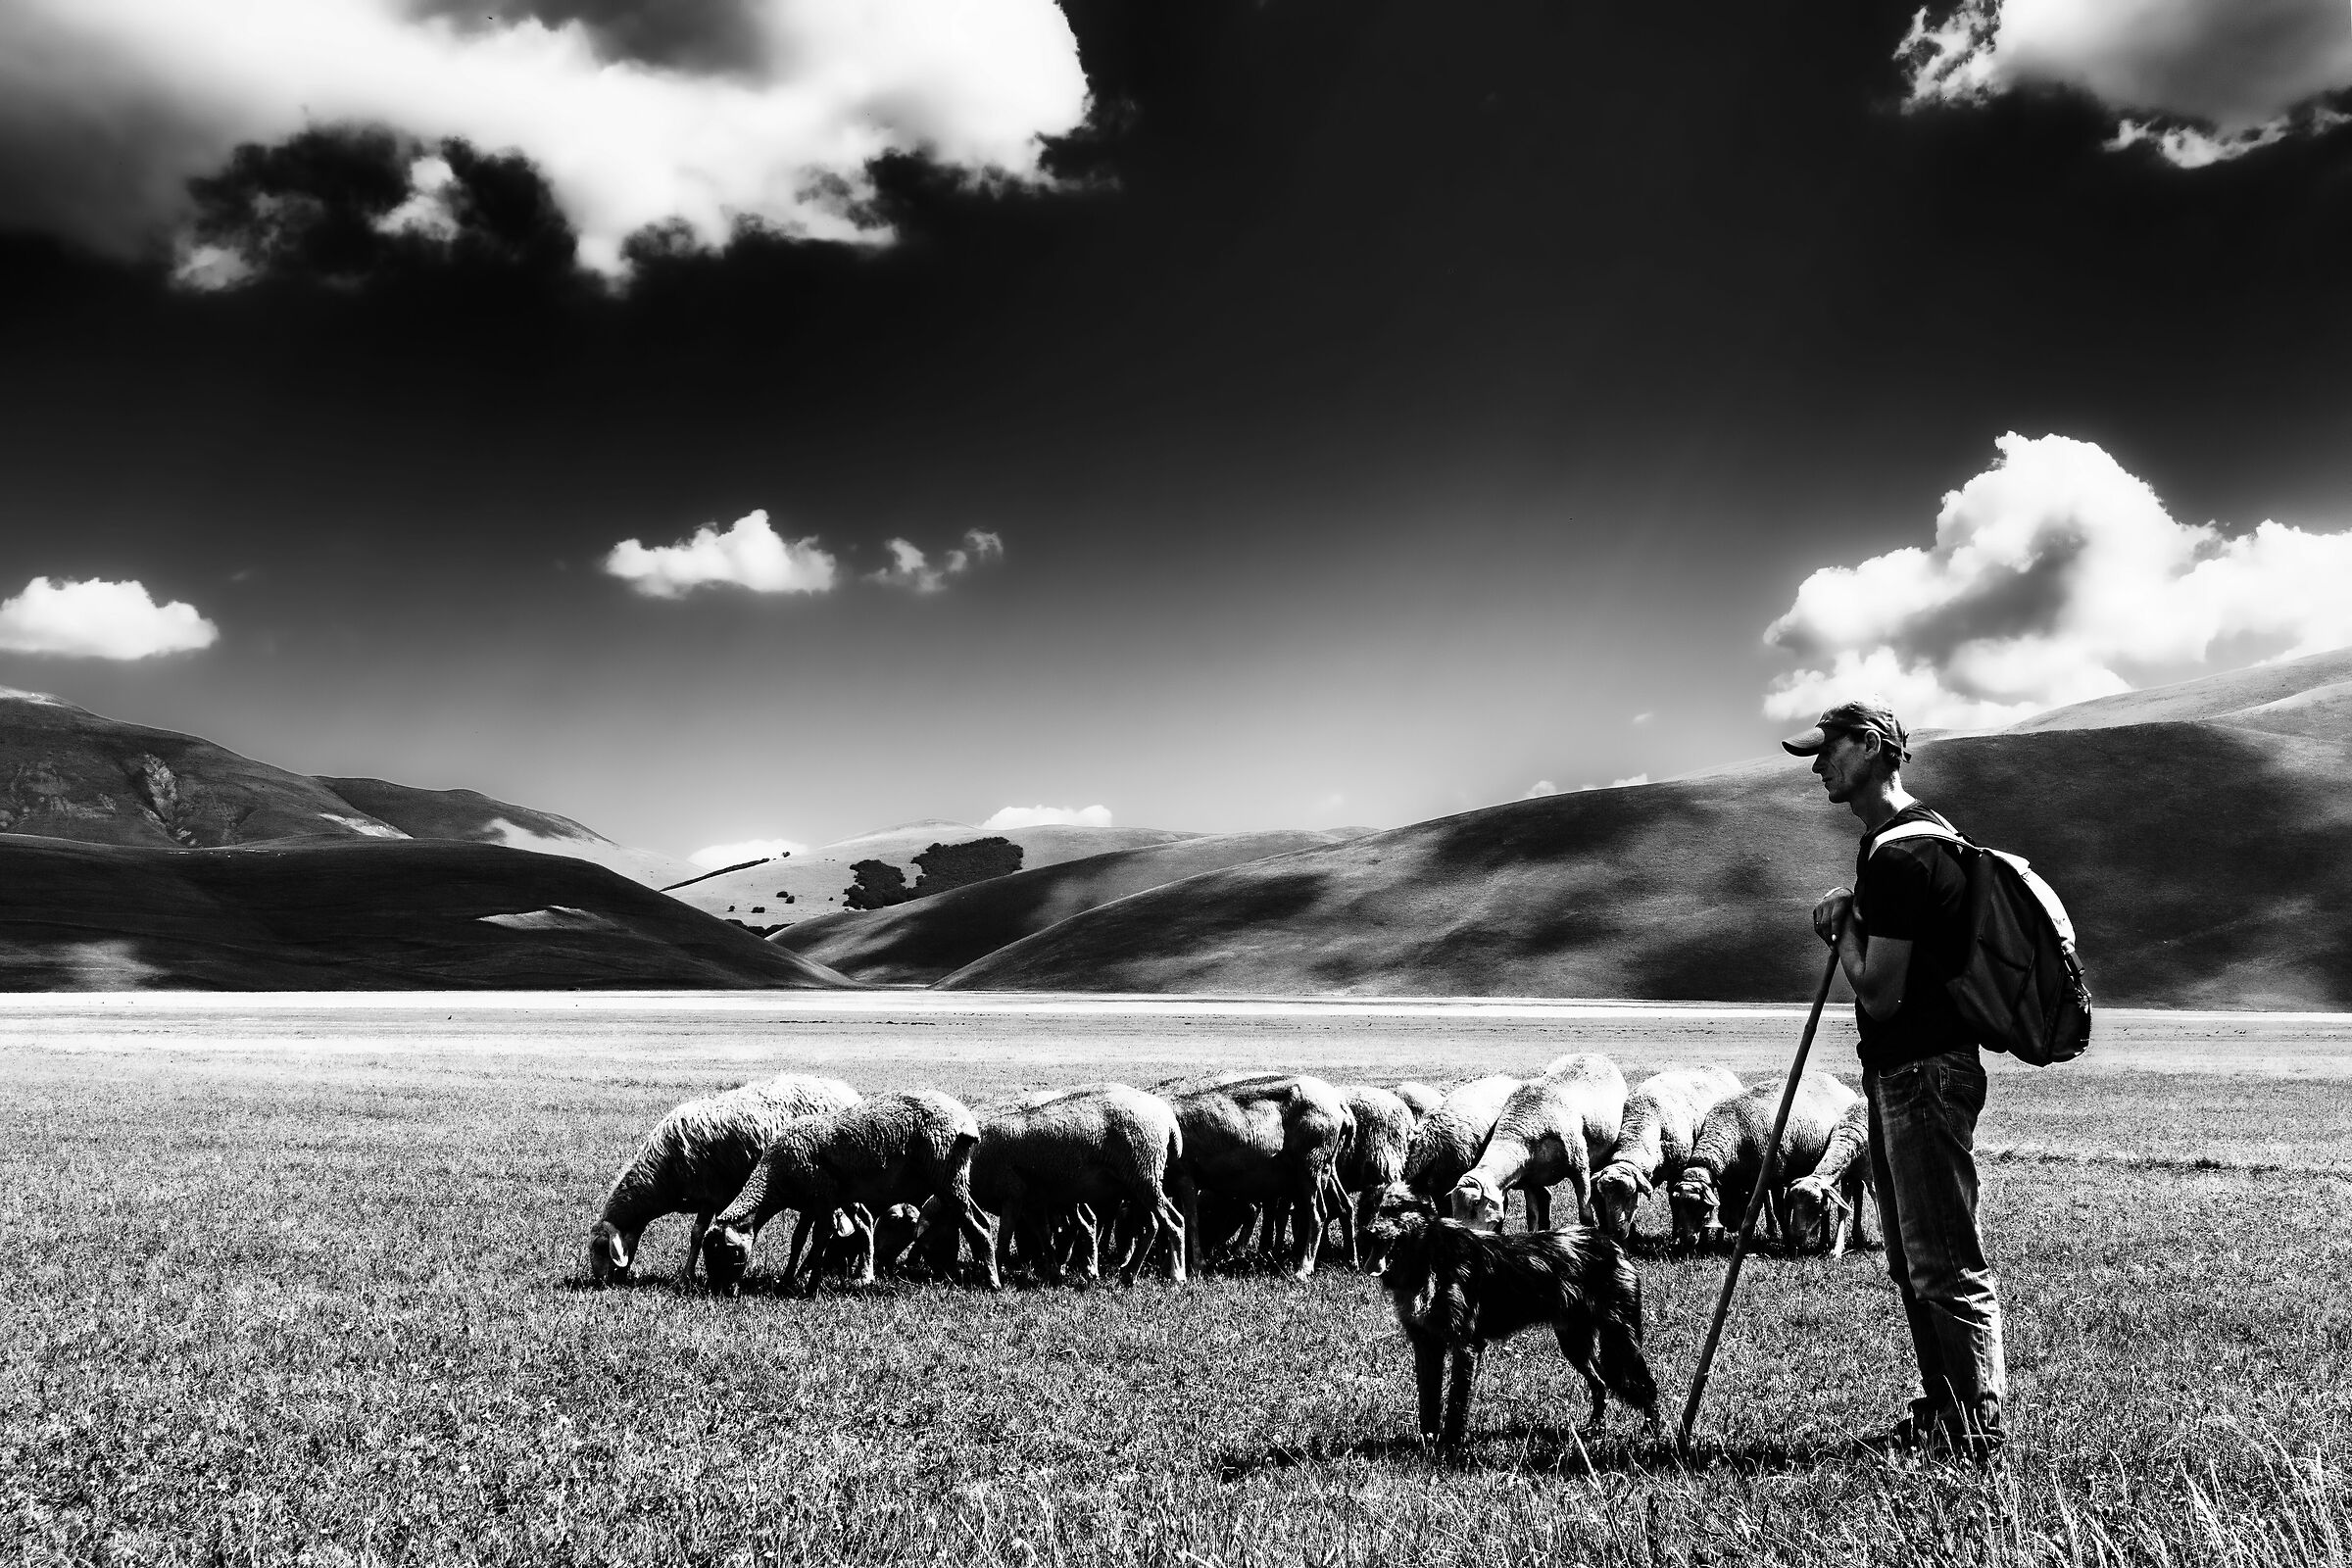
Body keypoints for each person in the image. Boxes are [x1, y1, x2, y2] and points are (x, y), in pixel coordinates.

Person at [1781, 699, 2005, 1465]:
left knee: (1944, 1260)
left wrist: (1842, 929)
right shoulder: (1911, 839)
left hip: (1922, 1072)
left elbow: (1879, 993)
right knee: (1914, 1261)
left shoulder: (1901, 857)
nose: (1819, 766)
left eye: (1829, 750)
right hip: (1909, 1071)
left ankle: (1975, 1436)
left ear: (1874, 746)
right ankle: (1946, 1415)